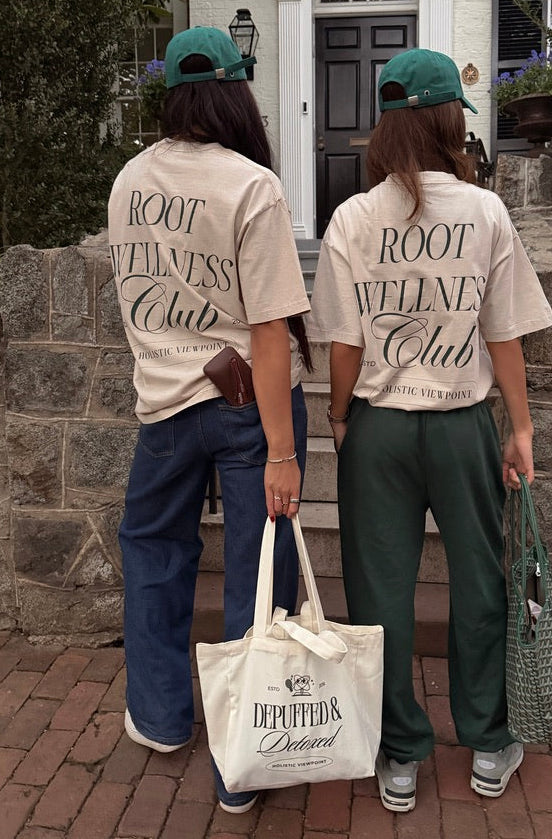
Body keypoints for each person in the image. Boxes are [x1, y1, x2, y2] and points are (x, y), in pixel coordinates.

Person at [307, 48, 552, 813]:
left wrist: (341, 417)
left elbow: (343, 346)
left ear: (388, 124)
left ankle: (401, 754)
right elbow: (503, 334)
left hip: (379, 427)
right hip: (460, 424)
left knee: (380, 588)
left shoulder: (352, 216)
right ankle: (485, 740)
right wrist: (520, 429)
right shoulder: (485, 212)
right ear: (452, 120)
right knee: (479, 580)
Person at [107, 26, 311, 814]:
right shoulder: (250, 185)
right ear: (235, 92)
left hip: (163, 403)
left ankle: (160, 716)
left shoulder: (129, 179)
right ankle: (243, 761)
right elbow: (267, 330)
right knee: (258, 573)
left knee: (154, 549)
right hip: (245, 406)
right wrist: (285, 452)